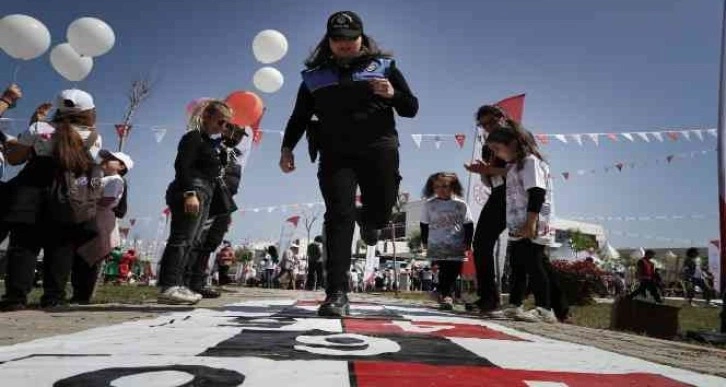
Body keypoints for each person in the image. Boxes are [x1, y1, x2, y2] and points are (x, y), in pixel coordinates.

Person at [279, 11, 418, 316]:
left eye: (350, 39)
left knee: (381, 209)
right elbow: (299, 116)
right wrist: (287, 147)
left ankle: (370, 220)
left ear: (361, 39)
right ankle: (336, 293)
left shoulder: (384, 67)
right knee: (338, 217)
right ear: (328, 41)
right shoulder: (313, 76)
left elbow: (411, 108)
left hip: (379, 148)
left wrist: (394, 94)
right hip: (335, 153)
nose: (343, 45)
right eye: (337, 39)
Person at [1, 89, 103, 311]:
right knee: (61, 246)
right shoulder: (93, 137)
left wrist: (33, 129)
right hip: (67, 194)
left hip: (30, 191)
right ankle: (54, 297)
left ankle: (15, 298)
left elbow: (14, 159)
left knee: (24, 245)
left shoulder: (39, 128)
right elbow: (83, 162)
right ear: (88, 112)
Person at [157, 100, 231, 305]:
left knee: (192, 240)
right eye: (221, 121)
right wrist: (189, 192)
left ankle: (179, 283)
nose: (223, 126)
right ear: (207, 116)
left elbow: (217, 170)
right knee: (181, 238)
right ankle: (168, 285)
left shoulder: (211, 143)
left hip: (206, 191)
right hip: (192, 189)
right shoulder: (193, 137)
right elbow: (182, 166)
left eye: (226, 123)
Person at [486, 125, 561, 323]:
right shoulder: (513, 166)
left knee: (534, 263)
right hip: (517, 224)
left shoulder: (530, 162)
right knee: (517, 264)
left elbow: (537, 193)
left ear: (512, 144)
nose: (496, 154)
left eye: (496, 149)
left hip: (532, 223)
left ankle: (545, 308)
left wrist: (531, 222)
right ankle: (515, 305)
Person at [464, 105, 530, 314]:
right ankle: (488, 298)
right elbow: (492, 179)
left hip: (519, 195)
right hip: (499, 194)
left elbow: (522, 168)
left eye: (491, 122)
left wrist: (489, 169)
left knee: (525, 249)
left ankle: (545, 303)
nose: (487, 128)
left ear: (502, 117)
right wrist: (483, 172)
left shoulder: (517, 137)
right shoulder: (488, 145)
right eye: (483, 125)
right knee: (481, 242)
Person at [184, 124, 246, 298]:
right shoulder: (211, 147)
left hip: (225, 202)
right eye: (234, 132)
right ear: (225, 130)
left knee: (211, 242)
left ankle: (199, 282)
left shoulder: (235, 155)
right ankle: (186, 281)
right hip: (209, 198)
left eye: (240, 135)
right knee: (198, 240)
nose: (237, 137)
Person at [73, 150, 133, 303]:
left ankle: (83, 295)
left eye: (112, 159)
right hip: (91, 215)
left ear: (121, 167)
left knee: (91, 257)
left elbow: (107, 200)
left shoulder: (115, 180)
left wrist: (87, 201)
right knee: (81, 258)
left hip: (100, 218)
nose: (106, 160)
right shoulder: (98, 177)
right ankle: (78, 292)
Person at [420, 172, 474, 310]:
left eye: (445, 186)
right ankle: (446, 296)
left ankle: (442, 292)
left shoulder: (461, 205)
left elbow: (468, 224)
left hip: (456, 242)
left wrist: (468, 242)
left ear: (453, 186)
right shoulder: (429, 205)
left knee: (454, 270)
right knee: (444, 270)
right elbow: (424, 224)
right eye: (437, 187)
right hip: (437, 243)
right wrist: (425, 242)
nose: (441, 190)